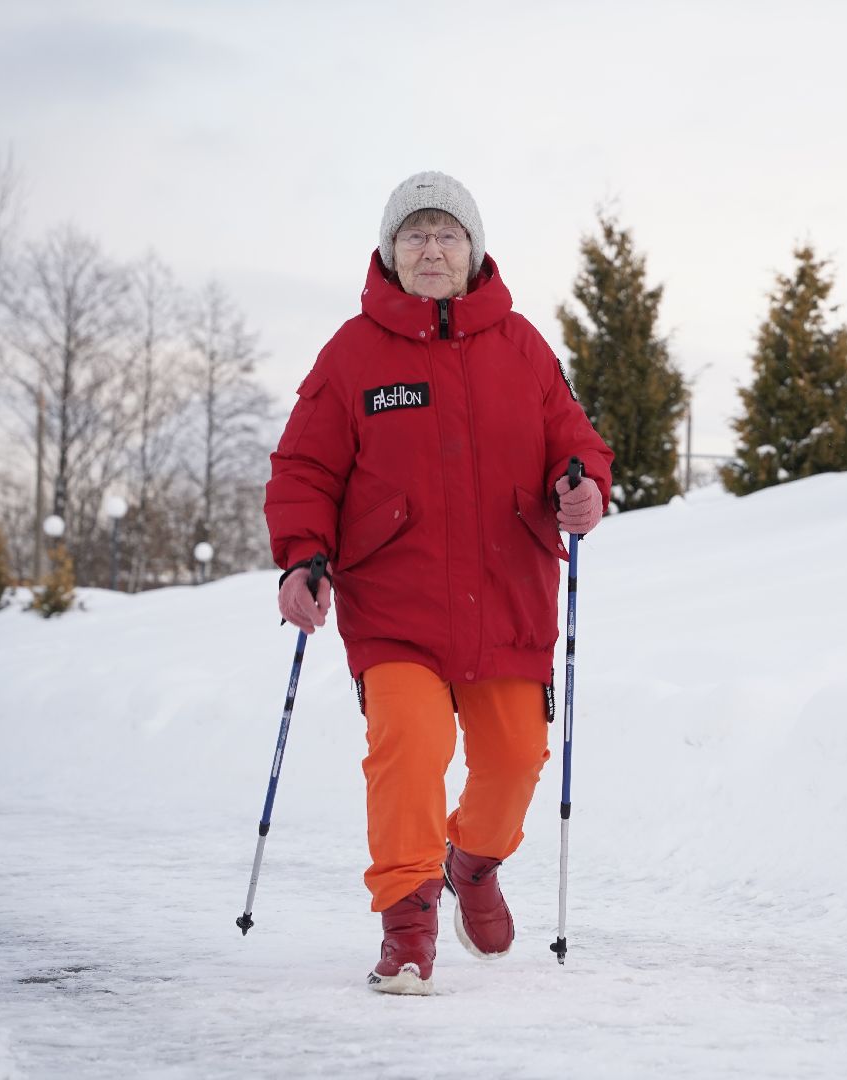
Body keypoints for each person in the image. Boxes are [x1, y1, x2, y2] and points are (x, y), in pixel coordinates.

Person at [265, 171, 613, 995]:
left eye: (447, 234)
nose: (432, 249)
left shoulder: (523, 345)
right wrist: (302, 556)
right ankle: (408, 921)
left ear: (474, 250)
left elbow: (576, 439)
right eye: (415, 234)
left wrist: (581, 482)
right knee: (410, 751)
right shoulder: (352, 354)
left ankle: (474, 864)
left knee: (516, 758)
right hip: (396, 602)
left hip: (508, 597)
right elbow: (304, 468)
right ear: (390, 252)